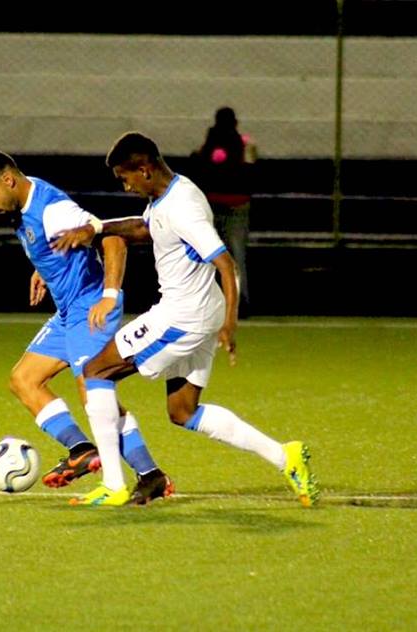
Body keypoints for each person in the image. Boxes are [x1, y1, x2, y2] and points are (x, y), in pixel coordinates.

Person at [52, 132, 318, 508]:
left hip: (182, 318)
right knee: (183, 411)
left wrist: (232, 324)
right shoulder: (169, 194)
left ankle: (113, 483)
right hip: (201, 312)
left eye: (126, 177)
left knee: (96, 371)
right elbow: (146, 228)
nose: (125, 185)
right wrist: (97, 228)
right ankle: (285, 456)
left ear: (144, 169)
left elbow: (225, 263)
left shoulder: (183, 207)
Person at [0, 149, 174, 504]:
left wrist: (109, 296)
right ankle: (81, 449)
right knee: (24, 380)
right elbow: (60, 244)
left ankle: (150, 475)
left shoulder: (53, 210)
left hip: (90, 307)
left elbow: (111, 239)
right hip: (68, 311)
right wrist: (45, 269)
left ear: (8, 180)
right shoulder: (26, 205)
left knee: (95, 394)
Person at [194, 107, 256, 318]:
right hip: (238, 204)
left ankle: (210, 303)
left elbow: (199, 167)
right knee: (237, 254)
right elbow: (252, 171)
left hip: (212, 203)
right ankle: (240, 302)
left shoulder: (210, 143)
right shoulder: (243, 144)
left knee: (211, 254)